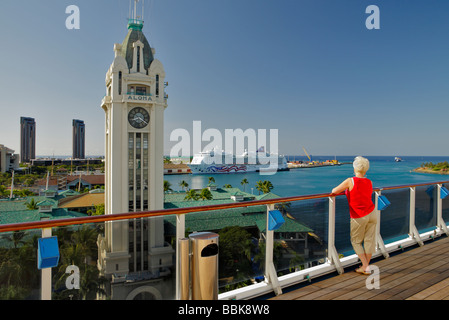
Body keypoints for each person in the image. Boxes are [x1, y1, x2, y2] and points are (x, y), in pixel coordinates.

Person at [331, 156, 376, 275]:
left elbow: (334, 190)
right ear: (366, 170)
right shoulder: (369, 182)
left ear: (355, 168)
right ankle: (366, 265)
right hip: (372, 213)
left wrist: (346, 191)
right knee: (369, 240)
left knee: (356, 241)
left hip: (359, 215)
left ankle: (365, 266)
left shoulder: (350, 181)